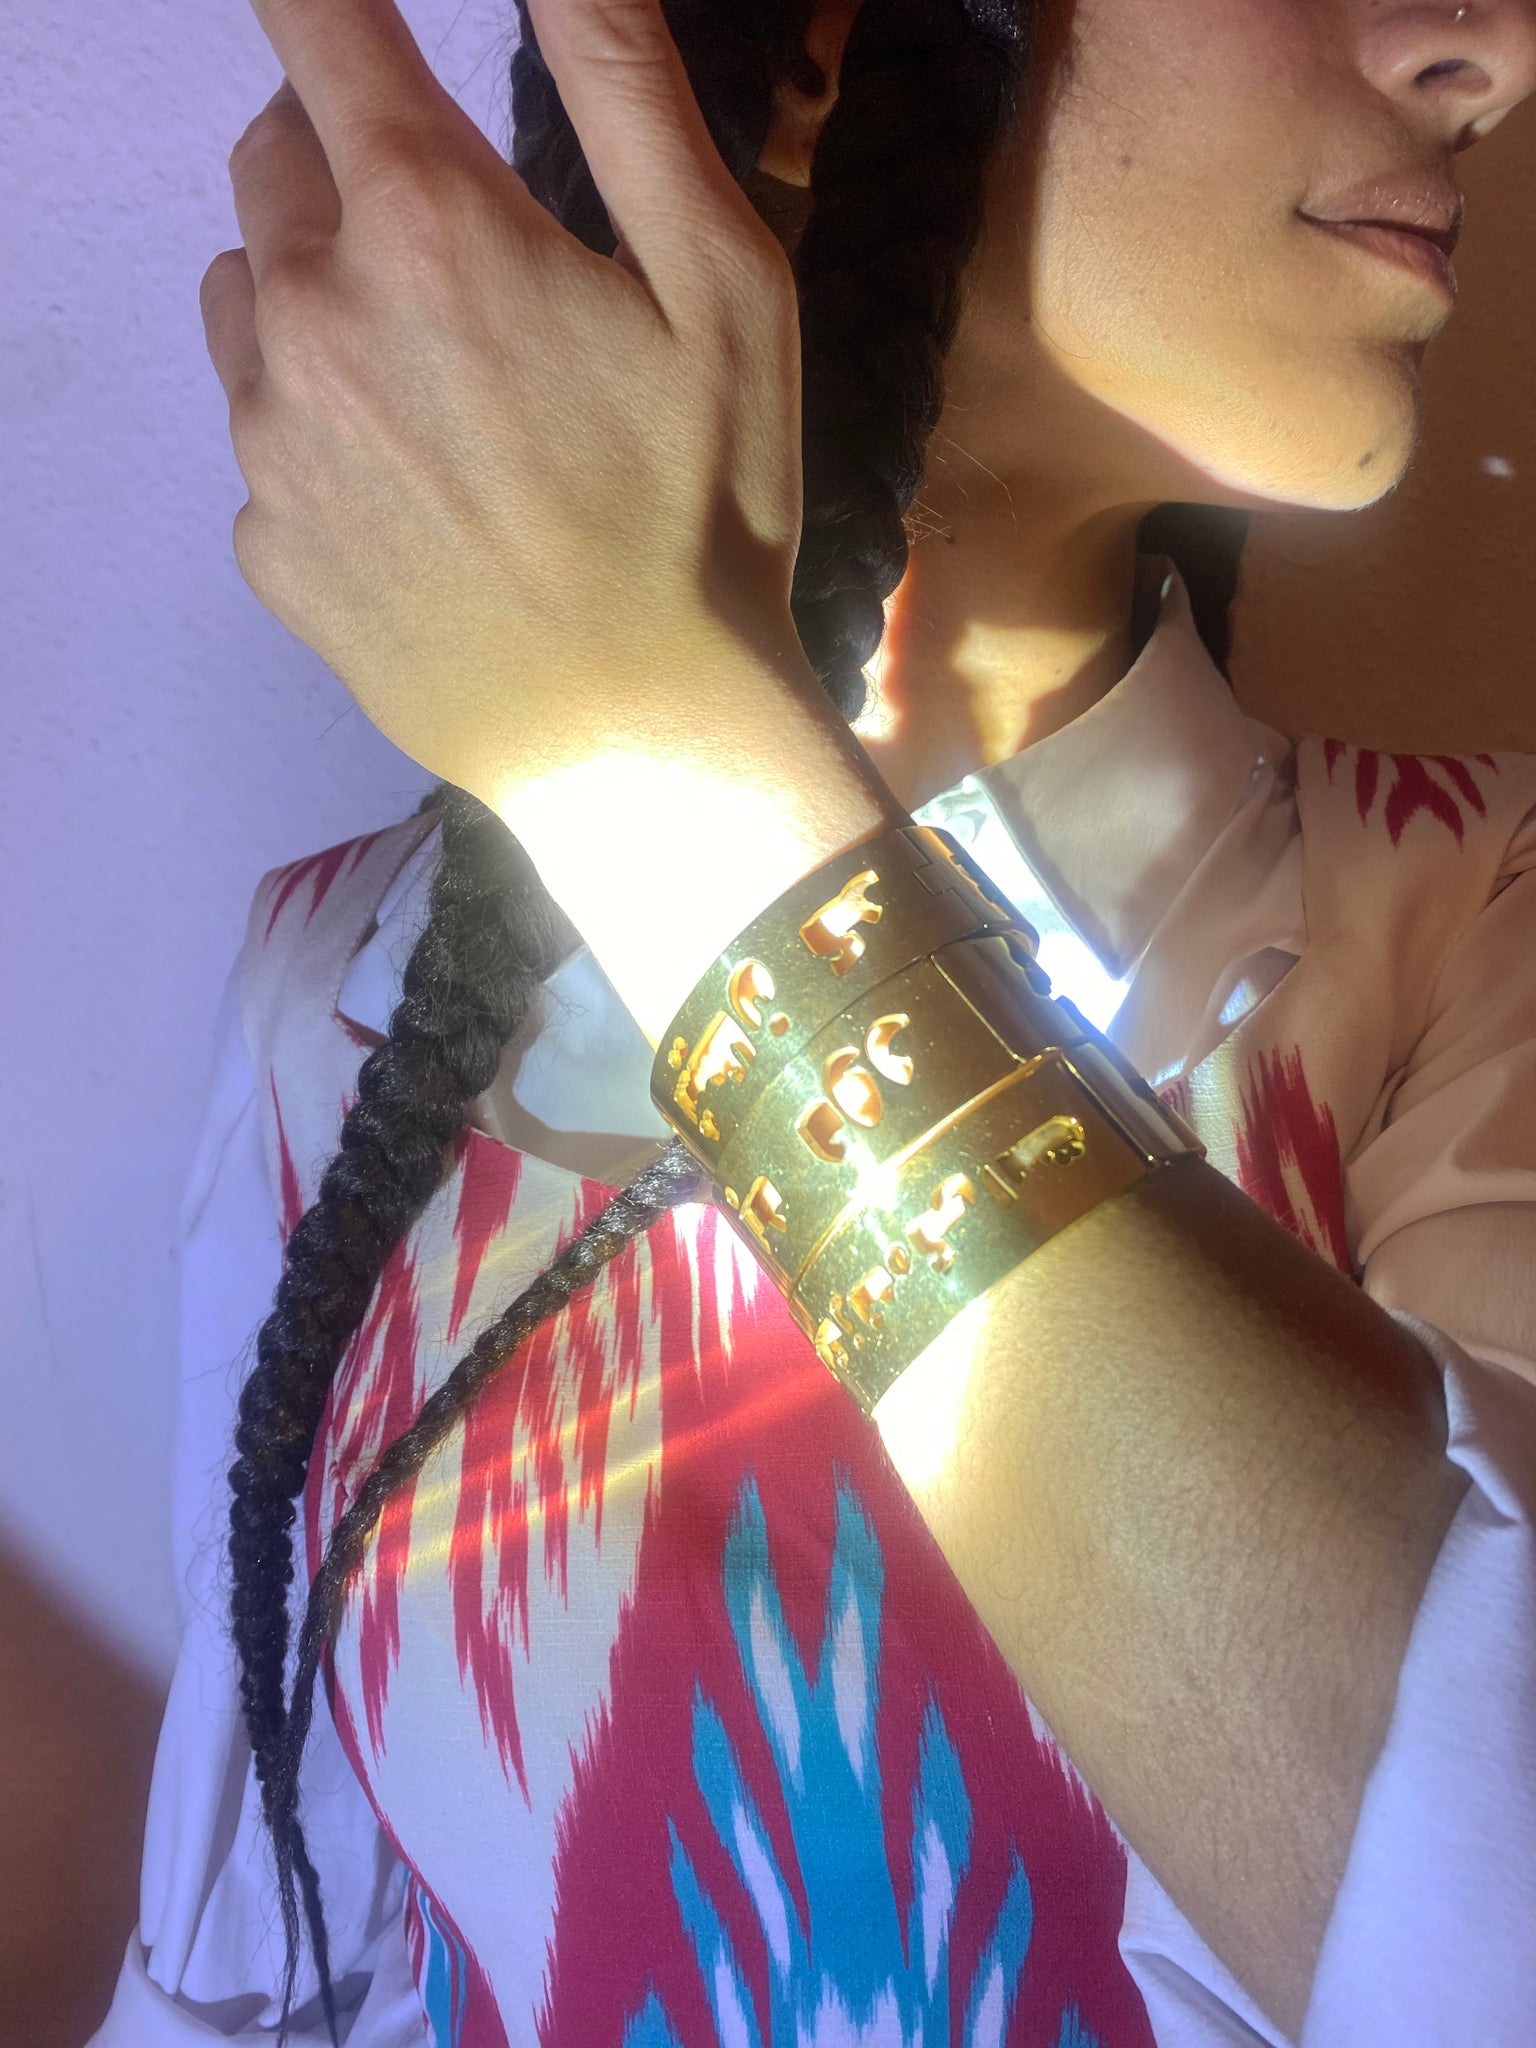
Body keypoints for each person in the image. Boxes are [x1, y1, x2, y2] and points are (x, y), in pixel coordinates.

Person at [94, 0, 1536, 2043]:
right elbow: (257, 1977)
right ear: (816, 57)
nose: (1491, 49)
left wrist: (656, 754)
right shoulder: (330, 991)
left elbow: (1475, 1898)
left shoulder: (1475, 911)